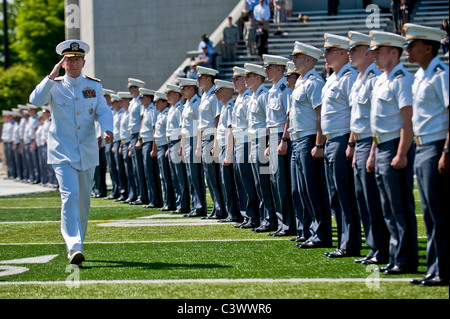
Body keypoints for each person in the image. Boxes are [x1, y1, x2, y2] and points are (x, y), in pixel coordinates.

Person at [29, 39, 113, 266]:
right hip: (62, 153)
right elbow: (35, 100)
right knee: (69, 197)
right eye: (69, 59)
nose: (73, 63)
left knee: (84, 202)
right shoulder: (54, 85)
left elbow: (104, 112)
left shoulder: (93, 86)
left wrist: (107, 130)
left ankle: (78, 246)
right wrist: (50, 75)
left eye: (77, 59)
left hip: (86, 151)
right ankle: (73, 246)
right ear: (63, 62)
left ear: (84, 61)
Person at [404, 23, 449, 286]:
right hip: (422, 147)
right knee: (430, 214)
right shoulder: (421, 75)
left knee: (439, 212)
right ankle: (434, 268)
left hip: (436, 146)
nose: (407, 49)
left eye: (412, 45)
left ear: (428, 48)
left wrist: (446, 151)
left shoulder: (441, 73)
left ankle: (443, 270)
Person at [370, 30, 418, 275]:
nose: (374, 55)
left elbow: (407, 121)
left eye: (379, 51)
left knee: (399, 205)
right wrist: (373, 152)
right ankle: (395, 255)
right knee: (387, 206)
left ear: (394, 52)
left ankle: (406, 258)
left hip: (394, 145)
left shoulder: (402, 79)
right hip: (381, 146)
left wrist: (401, 153)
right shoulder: (381, 79)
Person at [347, 31, 389, 265]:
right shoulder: (360, 78)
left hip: (371, 143)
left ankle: (383, 249)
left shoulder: (373, 79)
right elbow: (356, 117)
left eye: (354, 49)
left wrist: (371, 150)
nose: (350, 53)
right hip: (359, 143)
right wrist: (352, 144)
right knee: (363, 198)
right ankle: (374, 247)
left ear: (366, 52)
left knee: (374, 199)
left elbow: (376, 119)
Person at [288, 42, 333, 249]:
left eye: (297, 57)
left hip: (308, 140)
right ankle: (310, 231)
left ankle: (321, 234)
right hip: (298, 139)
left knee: (313, 188)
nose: (293, 60)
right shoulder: (301, 82)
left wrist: (319, 143)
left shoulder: (314, 82)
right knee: (302, 189)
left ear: (308, 59)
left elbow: (320, 115)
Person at [321, 33, 361, 258]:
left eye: (329, 51)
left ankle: (350, 242)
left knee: (345, 194)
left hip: (342, 138)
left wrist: (351, 142)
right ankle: (343, 241)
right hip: (330, 140)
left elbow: (355, 112)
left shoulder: (349, 77)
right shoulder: (332, 78)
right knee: (335, 194)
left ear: (341, 53)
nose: (325, 55)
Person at [262, 54, 295, 237]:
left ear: (279, 69)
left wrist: (284, 140)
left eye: (269, 67)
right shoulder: (274, 89)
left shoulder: (284, 89)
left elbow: (289, 117)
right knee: (275, 182)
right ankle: (282, 223)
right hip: (273, 137)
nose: (266, 70)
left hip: (282, 138)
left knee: (282, 183)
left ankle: (288, 224)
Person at [244, 63, 276, 232]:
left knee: (265, 183)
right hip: (255, 141)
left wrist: (268, 143)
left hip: (263, 140)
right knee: (258, 184)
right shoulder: (254, 95)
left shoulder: (264, 95)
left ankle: (270, 219)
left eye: (248, 76)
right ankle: (264, 218)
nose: (245, 80)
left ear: (258, 77)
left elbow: (269, 122)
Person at [195, 66, 226, 219]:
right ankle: (216, 207)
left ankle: (221, 208)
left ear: (209, 79)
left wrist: (215, 143)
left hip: (212, 137)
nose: (198, 80)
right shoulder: (205, 96)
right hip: (205, 137)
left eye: (201, 77)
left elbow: (217, 120)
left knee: (214, 176)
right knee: (209, 176)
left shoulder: (214, 96)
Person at [230, 67, 259, 228]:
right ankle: (247, 215)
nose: (234, 82)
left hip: (247, 142)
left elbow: (250, 123)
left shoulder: (248, 98)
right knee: (241, 182)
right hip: (239, 142)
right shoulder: (240, 98)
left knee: (249, 182)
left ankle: (253, 216)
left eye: (238, 79)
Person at [178, 78, 207, 217]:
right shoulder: (188, 103)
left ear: (191, 89)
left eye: (184, 88)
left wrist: (198, 145)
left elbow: (199, 127)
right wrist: (182, 145)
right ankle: (196, 205)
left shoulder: (196, 103)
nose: (181, 91)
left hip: (194, 140)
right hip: (187, 140)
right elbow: (184, 127)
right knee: (190, 175)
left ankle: (200, 206)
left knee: (196, 175)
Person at [165, 84, 190, 214]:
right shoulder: (172, 108)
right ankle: (179, 202)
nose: (167, 96)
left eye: (170, 94)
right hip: (171, 143)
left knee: (180, 175)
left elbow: (182, 129)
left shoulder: (179, 108)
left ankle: (184, 204)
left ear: (177, 95)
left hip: (177, 142)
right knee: (174, 175)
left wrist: (180, 145)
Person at [137, 88, 163, 209]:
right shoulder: (146, 110)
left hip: (149, 143)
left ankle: (156, 199)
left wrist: (154, 148)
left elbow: (154, 130)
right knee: (148, 173)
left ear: (148, 98)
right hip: (145, 142)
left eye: (142, 97)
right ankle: (152, 198)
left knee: (152, 173)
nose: (140, 99)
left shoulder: (152, 110)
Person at [152, 91, 176, 212]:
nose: (155, 104)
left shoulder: (166, 114)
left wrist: (167, 148)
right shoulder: (160, 115)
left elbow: (169, 133)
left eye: (158, 102)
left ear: (164, 103)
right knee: (164, 176)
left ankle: (170, 202)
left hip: (165, 146)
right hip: (160, 146)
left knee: (167, 176)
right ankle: (168, 201)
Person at [127, 78, 148, 206]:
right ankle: (139, 194)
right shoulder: (132, 102)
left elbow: (142, 120)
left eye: (132, 87)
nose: (129, 90)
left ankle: (143, 195)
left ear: (137, 88)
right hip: (132, 135)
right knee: (136, 168)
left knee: (140, 168)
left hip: (137, 134)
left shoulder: (140, 102)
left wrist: (139, 138)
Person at [117, 91, 137, 204]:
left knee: (132, 171)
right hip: (124, 142)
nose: (121, 102)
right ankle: (130, 193)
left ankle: (133, 194)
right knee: (126, 171)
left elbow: (131, 130)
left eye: (122, 100)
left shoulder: (129, 113)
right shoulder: (124, 113)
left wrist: (129, 145)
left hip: (129, 142)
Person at [102, 89, 120, 200]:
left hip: (115, 141)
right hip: (108, 142)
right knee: (112, 168)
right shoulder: (106, 111)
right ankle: (115, 190)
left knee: (116, 168)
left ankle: (118, 191)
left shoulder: (112, 112)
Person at [111, 94, 128, 202]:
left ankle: (124, 192)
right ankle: (121, 191)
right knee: (117, 169)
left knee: (123, 169)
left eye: (115, 102)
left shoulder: (122, 114)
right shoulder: (117, 114)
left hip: (121, 141)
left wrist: (121, 144)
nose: (113, 104)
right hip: (117, 141)